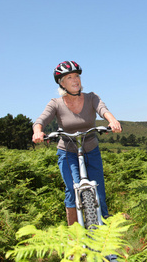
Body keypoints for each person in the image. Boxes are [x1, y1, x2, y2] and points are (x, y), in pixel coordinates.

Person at [32, 61, 122, 226]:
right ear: (61, 83)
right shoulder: (56, 103)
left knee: (99, 192)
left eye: (77, 76)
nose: (75, 80)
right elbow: (41, 120)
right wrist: (38, 131)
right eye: (69, 77)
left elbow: (103, 110)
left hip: (91, 149)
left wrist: (112, 120)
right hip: (68, 151)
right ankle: (74, 238)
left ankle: (105, 237)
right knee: (73, 191)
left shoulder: (91, 97)